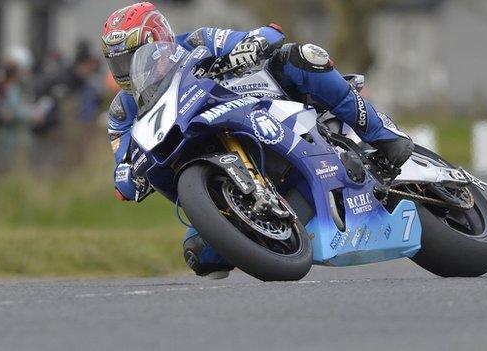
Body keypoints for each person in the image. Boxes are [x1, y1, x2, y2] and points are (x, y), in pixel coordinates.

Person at [101, 2, 414, 279]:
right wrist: (126, 177)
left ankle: (386, 137)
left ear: (158, 39)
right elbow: (123, 160)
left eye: (134, 57)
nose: (127, 69)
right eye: (118, 62)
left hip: (261, 103)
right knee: (200, 253)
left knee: (301, 56)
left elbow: (267, 34)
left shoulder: (197, 41)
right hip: (201, 150)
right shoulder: (122, 110)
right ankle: (269, 226)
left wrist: (251, 45)